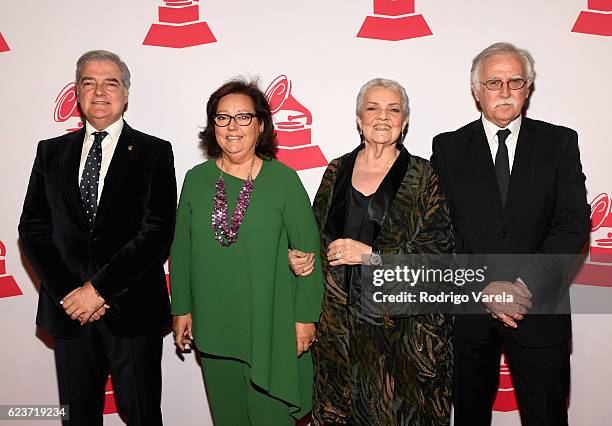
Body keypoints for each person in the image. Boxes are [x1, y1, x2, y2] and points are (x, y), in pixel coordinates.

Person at [431, 42, 590, 426]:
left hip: (539, 311)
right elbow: (440, 230)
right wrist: (485, 287)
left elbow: (572, 223)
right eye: (493, 82)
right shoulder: (448, 147)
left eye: (515, 81)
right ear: (476, 90)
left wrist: (521, 284)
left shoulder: (560, 143)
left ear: (528, 88)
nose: (504, 91)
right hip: (470, 310)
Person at [18, 50, 176, 425]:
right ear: (77, 92)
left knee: (141, 414)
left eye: (111, 83)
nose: (100, 92)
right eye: (89, 83)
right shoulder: (50, 152)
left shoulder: (154, 152)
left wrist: (99, 290)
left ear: (125, 94)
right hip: (69, 311)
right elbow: (33, 229)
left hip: (133, 311)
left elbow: (156, 232)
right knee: (76, 418)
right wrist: (72, 295)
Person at [289, 78, 454, 425]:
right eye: (373, 108)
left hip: (400, 336)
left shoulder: (426, 176)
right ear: (359, 119)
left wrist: (373, 255)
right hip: (339, 333)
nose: (383, 117)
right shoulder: (336, 170)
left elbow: (439, 254)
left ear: (405, 120)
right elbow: (315, 235)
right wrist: (300, 257)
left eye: (393, 109)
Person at [170, 79, 323, 426]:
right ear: (212, 127)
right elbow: (181, 250)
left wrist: (305, 318)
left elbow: (308, 255)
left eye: (243, 116)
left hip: (270, 325)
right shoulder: (196, 179)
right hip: (214, 323)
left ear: (261, 124)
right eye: (222, 118)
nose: (232, 126)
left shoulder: (283, 180)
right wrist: (181, 308)